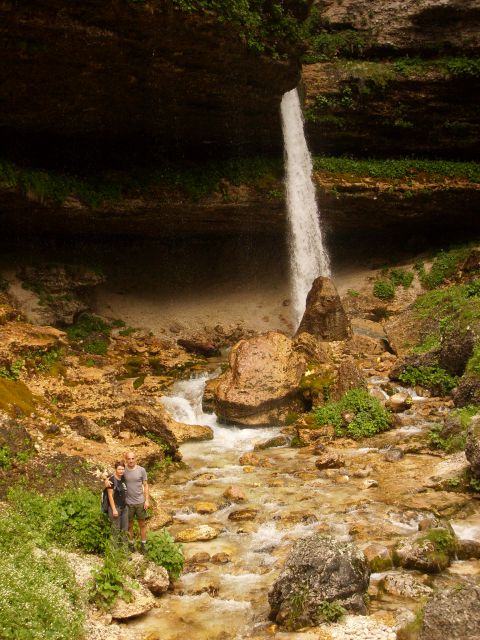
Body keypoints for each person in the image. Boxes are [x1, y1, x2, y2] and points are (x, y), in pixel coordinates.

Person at [106, 451, 150, 553]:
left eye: (132, 458)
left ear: (136, 459)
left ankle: (144, 545)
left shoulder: (141, 470)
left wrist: (147, 500)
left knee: (142, 524)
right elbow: (113, 477)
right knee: (129, 525)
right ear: (126, 460)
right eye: (128, 459)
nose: (130, 461)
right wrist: (105, 481)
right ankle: (131, 544)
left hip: (140, 502)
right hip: (128, 503)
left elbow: (146, 485)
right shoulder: (123, 470)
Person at [106, 461, 129, 541]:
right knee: (115, 531)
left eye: (123, 469)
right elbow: (110, 495)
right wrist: (114, 509)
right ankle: (114, 551)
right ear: (115, 469)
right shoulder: (111, 480)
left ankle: (124, 551)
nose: (121, 471)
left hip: (124, 507)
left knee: (124, 530)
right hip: (115, 508)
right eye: (119, 469)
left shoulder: (123, 478)